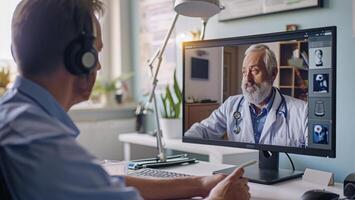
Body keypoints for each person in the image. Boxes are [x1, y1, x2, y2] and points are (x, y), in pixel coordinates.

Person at [0, 1, 250, 200]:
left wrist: (200, 184)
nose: (98, 64)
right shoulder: (41, 143)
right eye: (96, 52)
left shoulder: (19, 118)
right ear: (80, 58)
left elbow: (103, 183)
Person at [185, 44, 308, 147]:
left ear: (273, 74)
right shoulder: (232, 104)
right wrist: (183, 142)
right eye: (244, 72)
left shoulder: (301, 111)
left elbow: (317, 156)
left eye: (254, 71)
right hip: (239, 173)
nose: (247, 79)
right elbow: (204, 130)